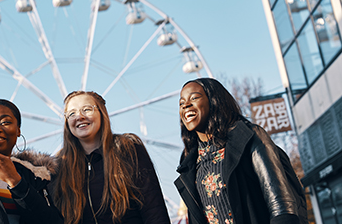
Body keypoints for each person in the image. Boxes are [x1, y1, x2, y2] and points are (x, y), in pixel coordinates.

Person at [174, 78, 308, 224]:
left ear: (214, 101)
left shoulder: (248, 138)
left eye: (194, 98)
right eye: (181, 103)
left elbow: (281, 205)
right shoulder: (189, 161)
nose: (186, 105)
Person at [51, 91, 171, 224]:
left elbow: (153, 210)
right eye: (71, 113)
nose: (79, 116)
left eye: (87, 109)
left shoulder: (127, 150)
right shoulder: (60, 167)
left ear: (102, 113)